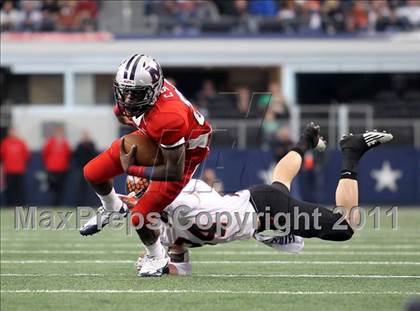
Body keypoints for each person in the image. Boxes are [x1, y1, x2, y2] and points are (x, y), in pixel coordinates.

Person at [129, 123, 393, 275]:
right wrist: (160, 262)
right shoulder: (164, 228)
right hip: (260, 206)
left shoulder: (178, 199)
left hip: (266, 210)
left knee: (344, 227)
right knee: (281, 183)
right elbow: (181, 266)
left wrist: (155, 254)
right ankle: (305, 141)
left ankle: (351, 152)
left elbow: (178, 208)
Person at [81, 54, 212, 277]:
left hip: (186, 153)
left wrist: (131, 168)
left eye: (136, 93)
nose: (128, 98)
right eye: (125, 90)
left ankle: (157, 257)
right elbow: (124, 113)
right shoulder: (135, 96)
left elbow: (173, 171)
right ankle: (113, 207)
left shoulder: (169, 116)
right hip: (156, 137)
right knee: (92, 172)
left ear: (152, 91)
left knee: (140, 215)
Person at [42, 126, 71, 206]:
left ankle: (58, 203)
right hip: (52, 168)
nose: (58, 134)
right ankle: (53, 202)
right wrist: (48, 164)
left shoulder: (65, 143)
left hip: (62, 168)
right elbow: (45, 154)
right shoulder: (50, 142)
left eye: (60, 132)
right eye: (57, 132)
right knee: (52, 186)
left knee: (61, 187)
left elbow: (68, 155)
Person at [0, 128, 30, 206]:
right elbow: (2, 155)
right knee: (10, 189)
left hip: (19, 170)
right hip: (9, 170)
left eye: (14, 131)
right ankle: (10, 205)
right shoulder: (5, 143)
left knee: (19, 189)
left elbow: (26, 155)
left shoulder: (21, 143)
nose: (13, 133)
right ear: (8, 133)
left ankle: (20, 205)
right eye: (11, 131)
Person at [73, 131, 97, 206]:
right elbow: (76, 156)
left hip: (89, 170)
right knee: (79, 188)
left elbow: (94, 156)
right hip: (80, 169)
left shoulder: (91, 145)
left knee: (90, 188)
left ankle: (89, 204)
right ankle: (78, 204)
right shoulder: (79, 146)